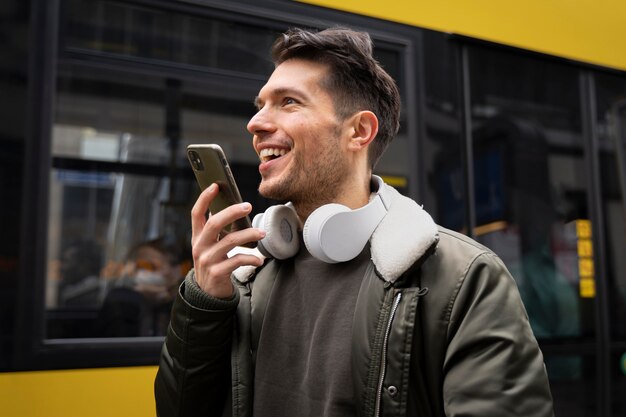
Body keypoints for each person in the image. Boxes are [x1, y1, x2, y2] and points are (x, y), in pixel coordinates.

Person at [155, 27, 554, 416]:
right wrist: (203, 301)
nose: (255, 124)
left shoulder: (465, 277)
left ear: (359, 131)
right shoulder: (244, 275)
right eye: (259, 105)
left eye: (289, 102)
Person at [98, 237, 185, 337]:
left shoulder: (183, 303)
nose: (166, 272)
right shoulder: (119, 301)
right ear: (131, 270)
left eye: (171, 264)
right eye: (150, 266)